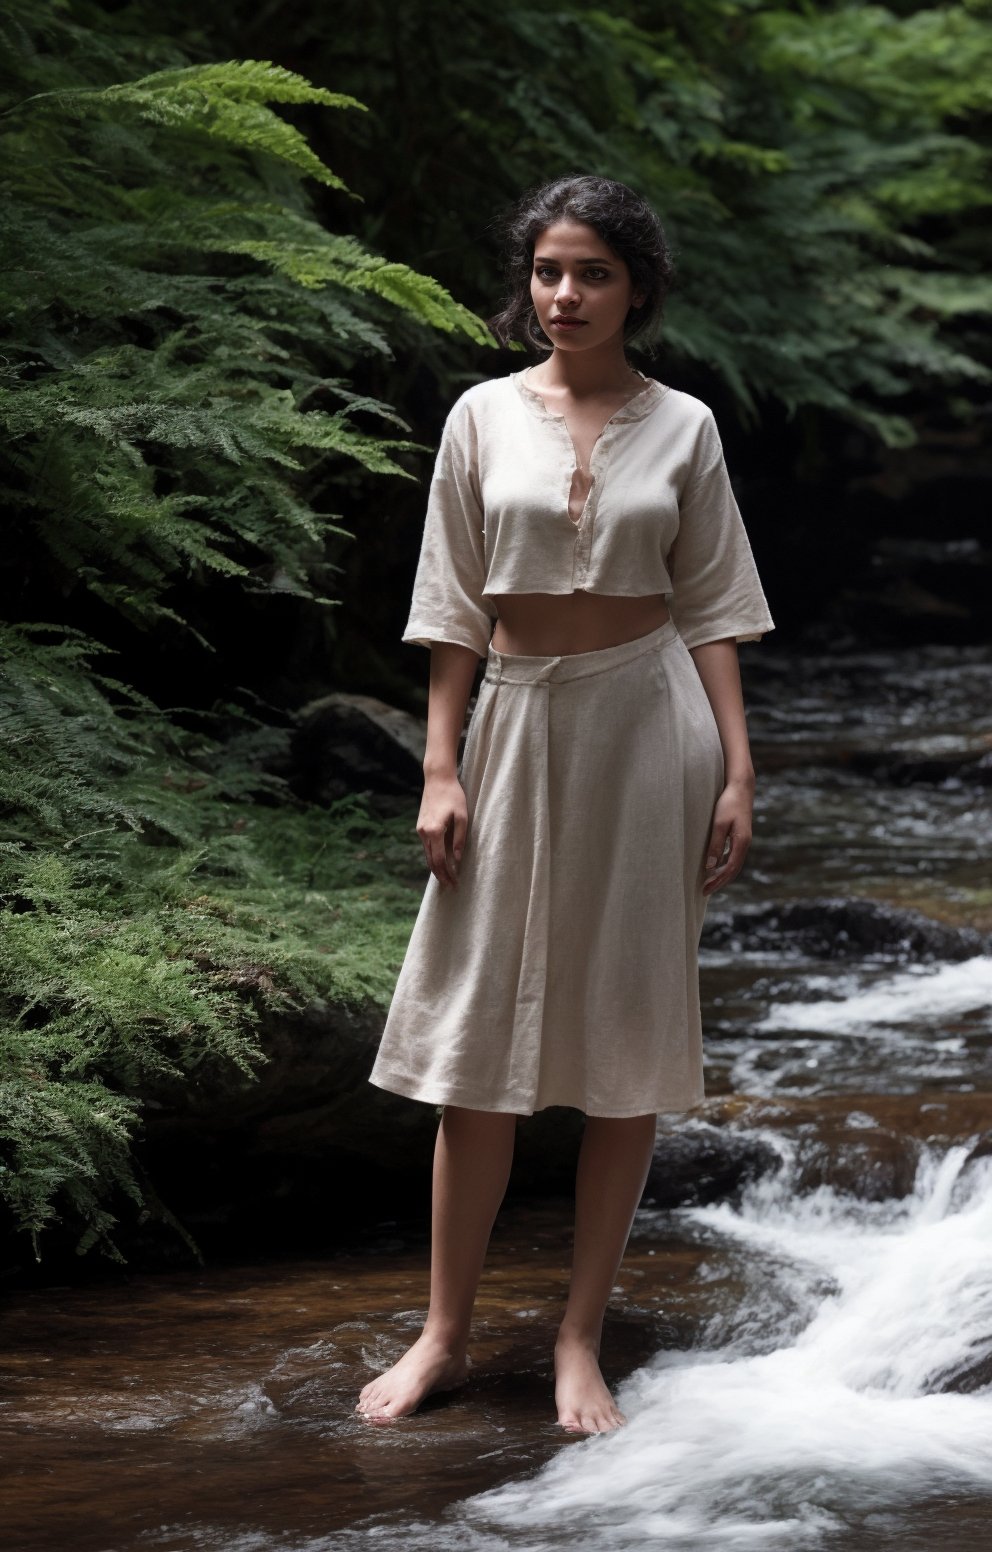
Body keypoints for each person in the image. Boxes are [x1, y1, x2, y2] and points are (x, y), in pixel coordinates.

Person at [356, 173, 774, 1435]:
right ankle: (441, 1333)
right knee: (476, 1046)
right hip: (518, 719)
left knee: (626, 1035)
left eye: (591, 272)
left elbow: (710, 607)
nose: (564, 294)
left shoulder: (684, 425)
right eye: (547, 270)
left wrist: (738, 768)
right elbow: (447, 610)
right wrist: (439, 765)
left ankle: (577, 1339)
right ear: (523, 282)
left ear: (635, 286)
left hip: (653, 726)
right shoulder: (478, 418)